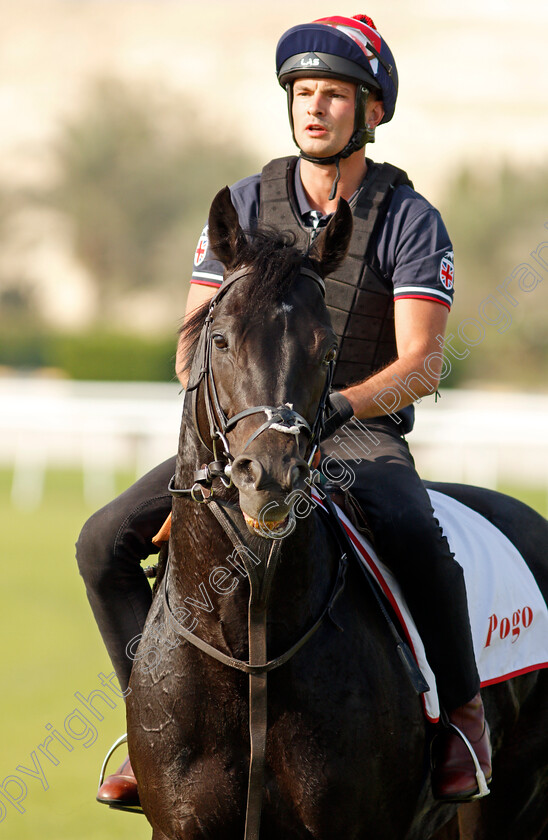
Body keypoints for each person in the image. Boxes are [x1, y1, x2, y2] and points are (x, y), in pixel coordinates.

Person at [77, 13, 491, 811]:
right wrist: (236, 418)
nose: (314, 107)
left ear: (371, 112)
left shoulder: (408, 220)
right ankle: (149, 718)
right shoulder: (240, 203)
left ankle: (461, 720)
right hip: (240, 431)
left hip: (351, 428)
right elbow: (193, 336)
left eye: (335, 94)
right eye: (303, 92)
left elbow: (422, 363)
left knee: (413, 530)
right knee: (102, 542)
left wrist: (327, 408)